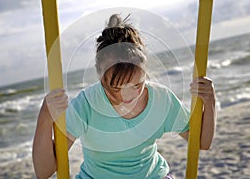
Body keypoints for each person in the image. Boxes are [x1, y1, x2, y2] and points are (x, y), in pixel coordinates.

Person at [32, 14, 216, 179]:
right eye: (116, 87)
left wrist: (210, 102)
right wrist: (45, 119)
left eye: (137, 85)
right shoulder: (87, 104)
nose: (128, 96)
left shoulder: (161, 99)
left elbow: (201, 142)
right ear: (99, 75)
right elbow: (45, 171)